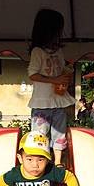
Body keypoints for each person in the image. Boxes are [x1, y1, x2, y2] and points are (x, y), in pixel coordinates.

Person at [27, 9, 75, 167]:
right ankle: (40, 163)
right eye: (57, 31)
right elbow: (32, 74)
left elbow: (61, 71)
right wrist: (55, 79)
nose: (59, 34)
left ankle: (59, 162)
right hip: (42, 102)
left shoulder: (59, 51)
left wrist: (66, 74)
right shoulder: (37, 52)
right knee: (40, 134)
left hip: (58, 100)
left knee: (60, 132)